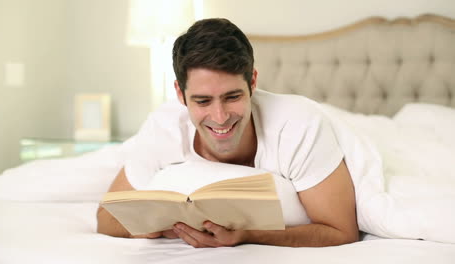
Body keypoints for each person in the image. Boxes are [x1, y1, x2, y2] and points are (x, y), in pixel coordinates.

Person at [97, 18, 359, 248]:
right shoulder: (164, 127)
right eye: (202, 101)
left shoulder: (299, 125)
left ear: (253, 82)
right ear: (180, 93)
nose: (220, 117)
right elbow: (106, 219)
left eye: (232, 97)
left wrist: (248, 235)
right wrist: (167, 227)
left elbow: (341, 231)